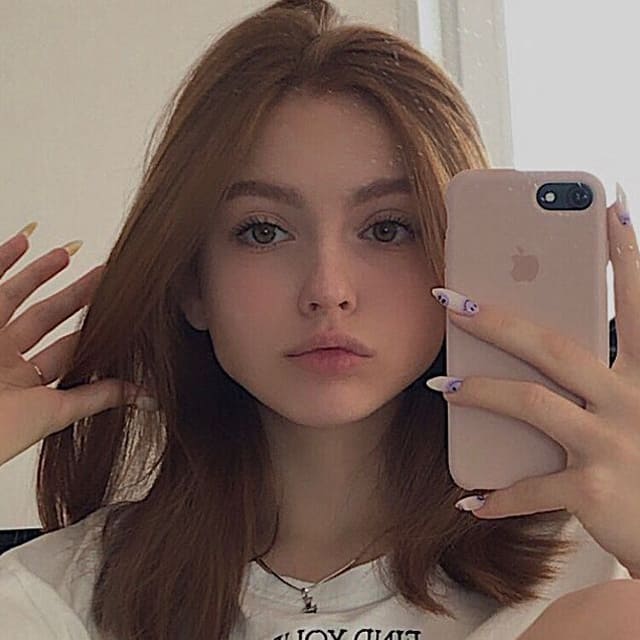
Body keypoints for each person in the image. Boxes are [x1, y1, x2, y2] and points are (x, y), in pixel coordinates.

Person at [0, 1, 638, 638]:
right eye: (263, 231)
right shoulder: (63, 596)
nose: (328, 291)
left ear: (460, 256)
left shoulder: (599, 567)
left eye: (388, 228)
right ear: (192, 282)